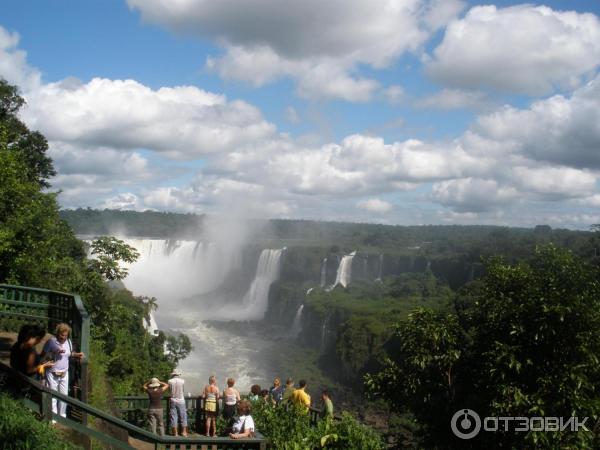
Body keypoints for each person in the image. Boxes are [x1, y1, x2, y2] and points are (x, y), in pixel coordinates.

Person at [42, 323, 85, 419]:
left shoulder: (68, 342)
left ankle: (61, 416)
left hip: (64, 374)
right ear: (57, 333)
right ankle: (53, 417)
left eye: (65, 336)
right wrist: (51, 354)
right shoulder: (51, 342)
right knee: (52, 395)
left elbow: (69, 354)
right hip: (52, 373)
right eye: (61, 335)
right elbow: (42, 356)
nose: (63, 338)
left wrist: (78, 354)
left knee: (64, 396)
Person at [168, 370, 188, 436]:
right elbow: (183, 390)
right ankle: (184, 432)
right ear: (178, 374)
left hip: (173, 400)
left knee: (174, 416)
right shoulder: (182, 381)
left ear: (173, 374)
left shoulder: (169, 381)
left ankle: (175, 433)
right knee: (183, 416)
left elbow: (170, 391)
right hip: (181, 400)